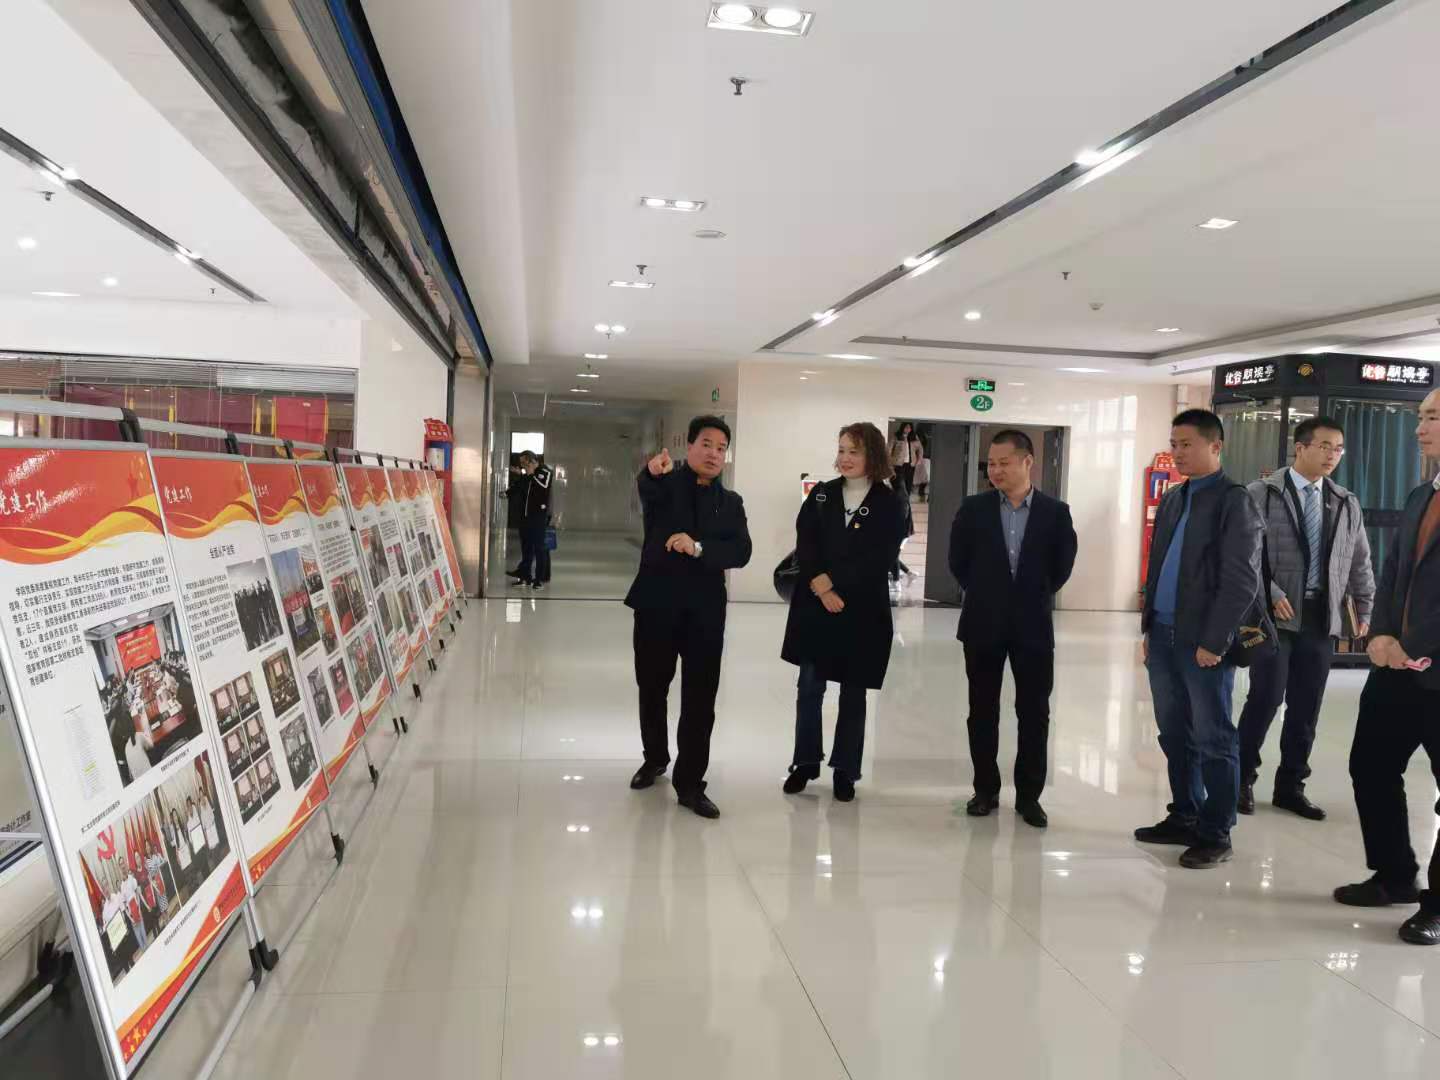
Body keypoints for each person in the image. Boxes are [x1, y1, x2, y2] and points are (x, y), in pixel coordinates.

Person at [1137, 409, 1266, 869]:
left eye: (1187, 444)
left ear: (1216, 446)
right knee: (1174, 732)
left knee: (1213, 736)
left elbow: (1241, 581)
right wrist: (1148, 627)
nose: (1177, 452)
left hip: (1203, 641)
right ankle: (1184, 814)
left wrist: (1215, 640)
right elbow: (1157, 567)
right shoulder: (1174, 498)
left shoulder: (1234, 501)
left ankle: (1216, 830)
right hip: (1164, 633)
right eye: (1174, 444)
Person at [1334, 388, 1440, 946]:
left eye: (1432, 417)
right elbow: (1395, 572)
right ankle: (1395, 874)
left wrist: (1412, 644)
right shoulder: (1423, 494)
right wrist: (1379, 635)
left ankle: (1437, 906)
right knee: (1371, 766)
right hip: (1396, 668)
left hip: (1433, 667)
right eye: (1420, 416)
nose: (1419, 428)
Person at [1237, 416, 1375, 820]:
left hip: (1320, 616)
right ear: (1300, 448)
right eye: (1325, 446)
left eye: (1339, 448)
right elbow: (1242, 554)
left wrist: (1364, 609)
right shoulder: (1261, 493)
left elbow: (1360, 560)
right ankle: (1240, 779)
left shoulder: (1345, 501)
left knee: (1306, 706)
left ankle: (1291, 786)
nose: (1333, 455)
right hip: (1273, 617)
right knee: (1265, 698)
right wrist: (1270, 592)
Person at [948, 430, 1078, 828]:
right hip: (982, 623)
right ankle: (985, 790)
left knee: (1034, 712)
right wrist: (987, 592)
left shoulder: (1055, 513)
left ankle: (1029, 796)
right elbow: (958, 562)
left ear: (1027, 462)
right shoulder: (973, 509)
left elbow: (1062, 566)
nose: (996, 470)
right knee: (981, 710)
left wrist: (1029, 594)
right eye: (991, 463)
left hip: (1032, 626)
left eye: (1004, 463)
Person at [626, 416, 752, 819]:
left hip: (704, 612)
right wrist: (650, 471)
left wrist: (699, 548)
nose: (714, 453)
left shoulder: (731, 503)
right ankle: (655, 758)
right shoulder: (665, 486)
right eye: (707, 444)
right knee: (652, 686)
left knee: (700, 698)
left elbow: (741, 551)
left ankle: (691, 783)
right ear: (690, 446)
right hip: (656, 605)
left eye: (721, 448)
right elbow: (647, 488)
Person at [780, 422, 908, 802]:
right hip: (816, 605)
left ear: (873, 455)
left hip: (861, 609)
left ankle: (846, 770)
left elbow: (881, 557)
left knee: (853, 693)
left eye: (854, 451)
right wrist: (821, 586)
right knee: (809, 687)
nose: (845, 458)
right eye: (841, 450)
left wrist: (835, 585)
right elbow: (806, 542)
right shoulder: (822, 495)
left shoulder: (889, 503)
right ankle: (805, 763)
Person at [506, 451, 553, 589]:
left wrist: (531, 474)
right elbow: (521, 486)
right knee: (526, 547)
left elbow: (543, 487)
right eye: (521, 463)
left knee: (539, 548)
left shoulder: (545, 472)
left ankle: (539, 579)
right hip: (525, 516)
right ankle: (525, 576)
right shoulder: (527, 474)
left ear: (531, 460)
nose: (522, 465)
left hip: (538, 516)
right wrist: (508, 492)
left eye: (524, 462)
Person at [889, 422, 922, 495]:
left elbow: (920, 449)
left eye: (910, 428)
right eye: (906, 427)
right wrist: (890, 463)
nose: (908, 429)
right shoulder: (896, 436)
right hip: (898, 464)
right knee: (899, 483)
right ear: (902, 427)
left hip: (910, 465)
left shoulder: (914, 437)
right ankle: (898, 499)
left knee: (908, 484)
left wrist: (919, 460)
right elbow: (889, 449)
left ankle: (906, 499)